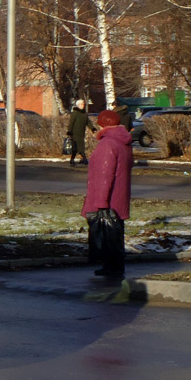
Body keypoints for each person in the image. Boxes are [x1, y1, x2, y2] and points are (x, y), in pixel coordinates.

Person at [80, 109, 134, 280]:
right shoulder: (124, 142)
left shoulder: (107, 144)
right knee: (115, 233)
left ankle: (111, 267)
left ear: (102, 124)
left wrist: (101, 201)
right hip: (119, 195)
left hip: (107, 197)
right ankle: (114, 266)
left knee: (108, 233)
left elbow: (105, 174)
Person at [66, 99, 95, 166]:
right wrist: (69, 131)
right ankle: (84, 159)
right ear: (78, 105)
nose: (83, 105)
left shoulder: (84, 114)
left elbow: (88, 122)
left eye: (83, 104)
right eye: (81, 104)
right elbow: (71, 123)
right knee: (77, 146)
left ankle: (72, 159)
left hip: (81, 132)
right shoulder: (75, 113)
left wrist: (92, 128)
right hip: (75, 132)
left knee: (78, 146)